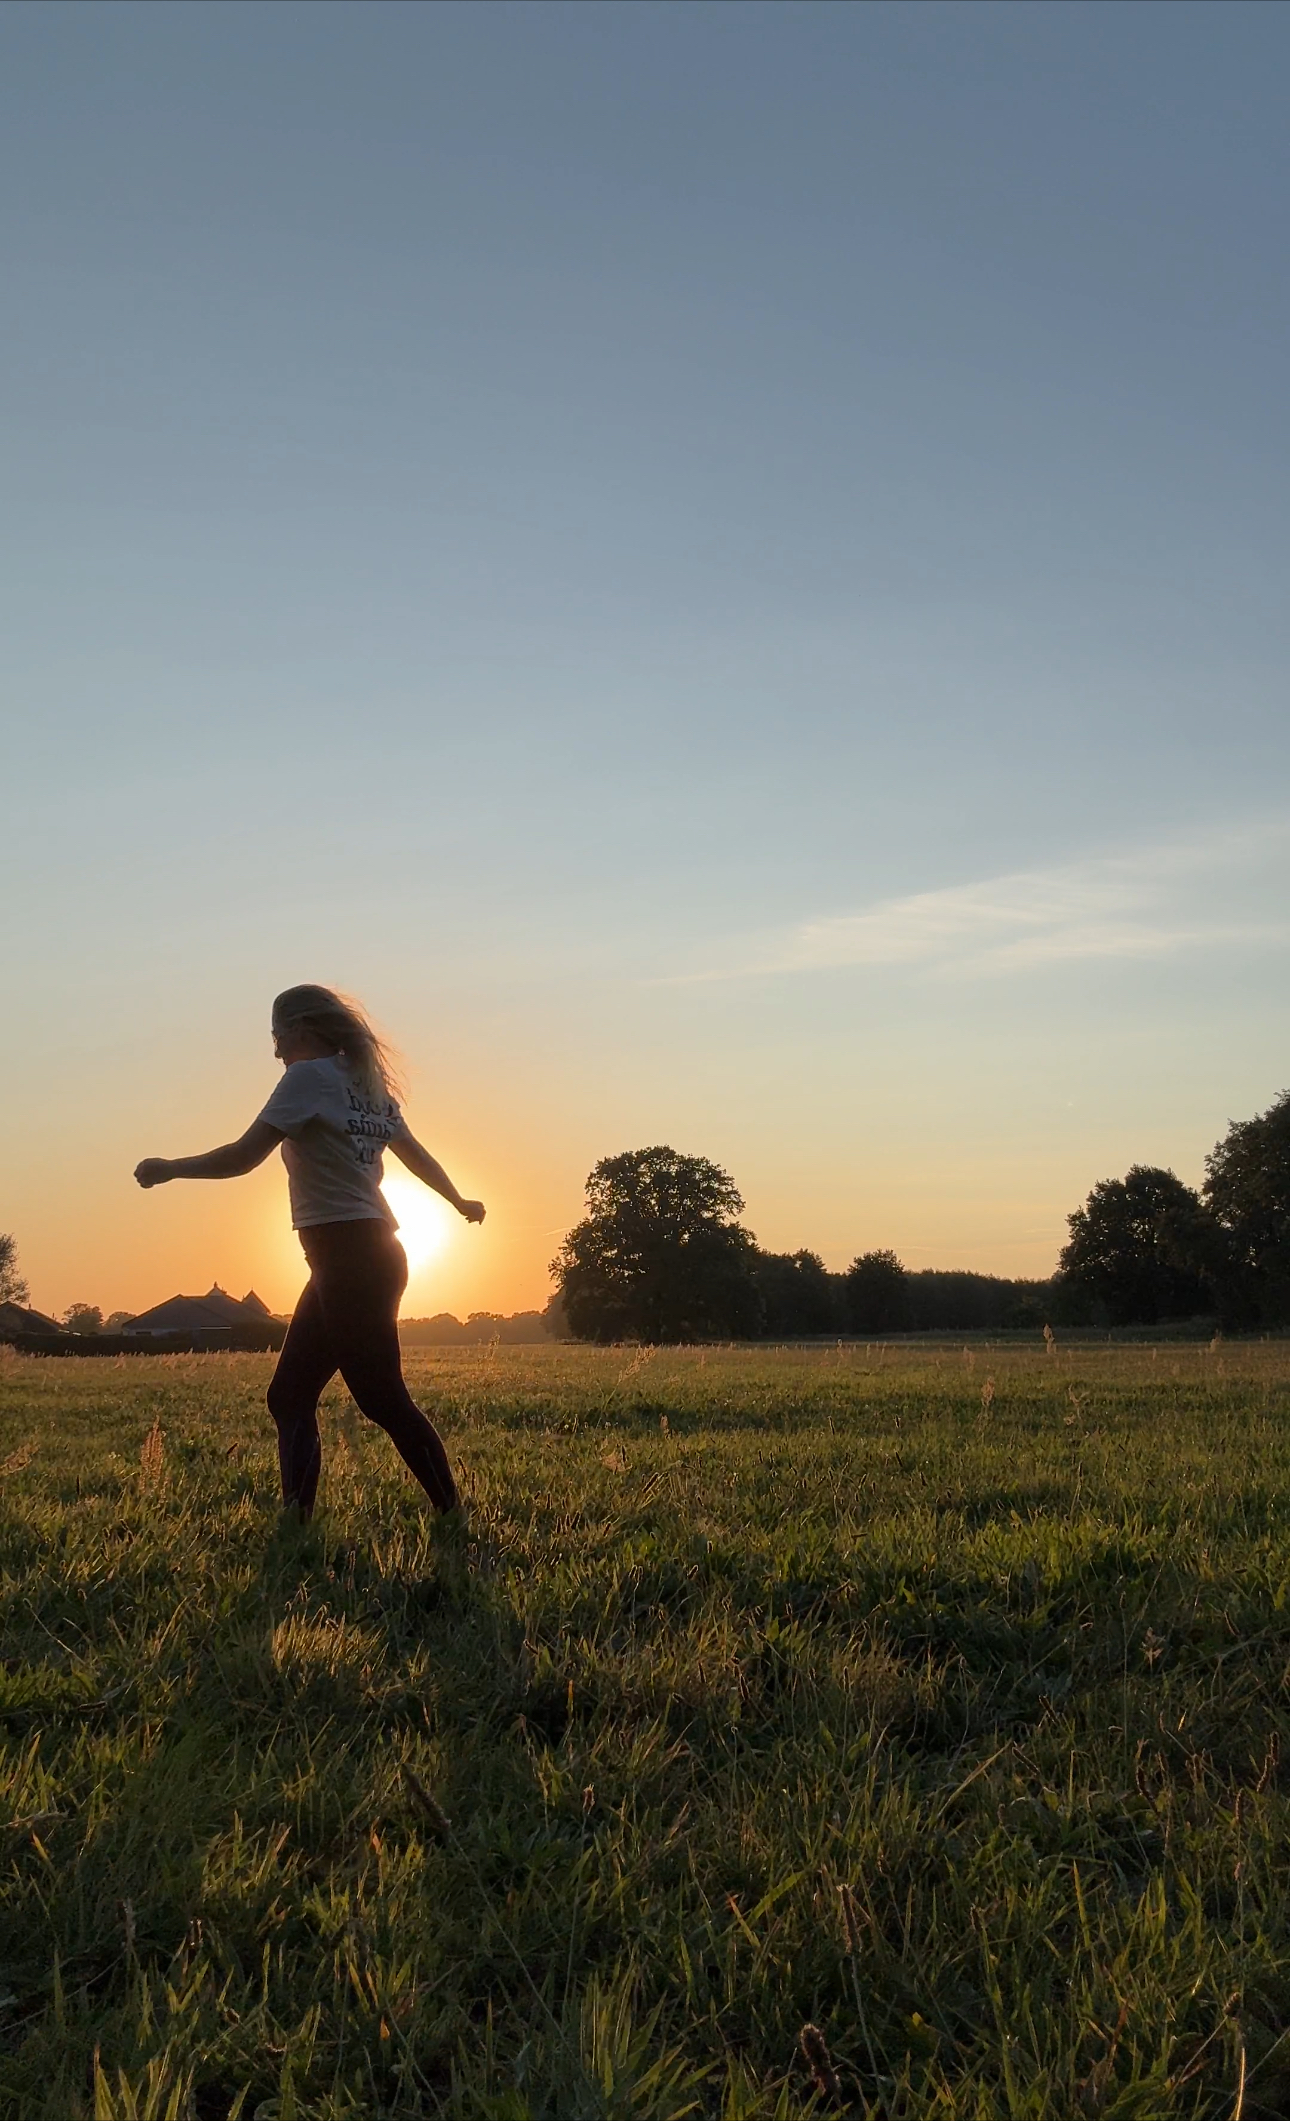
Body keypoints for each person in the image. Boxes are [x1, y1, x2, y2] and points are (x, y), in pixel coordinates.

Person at [134, 984, 484, 1524]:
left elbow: (242, 1157)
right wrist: (459, 1200)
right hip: (365, 1253)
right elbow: (416, 1157)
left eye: (277, 1035)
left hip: (349, 1255)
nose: (275, 1050)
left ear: (302, 1028)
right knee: (290, 1393)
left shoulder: (306, 1078)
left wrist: (170, 1168)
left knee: (381, 1398)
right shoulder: (366, 1084)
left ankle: (452, 1511)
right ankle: (295, 1519)